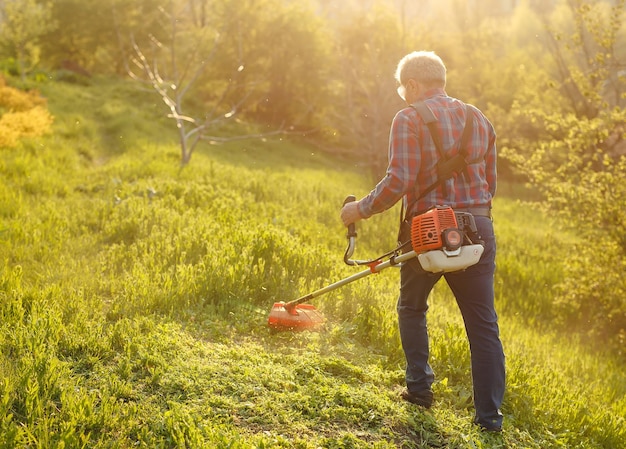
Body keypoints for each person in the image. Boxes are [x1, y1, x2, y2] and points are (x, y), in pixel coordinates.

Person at [340, 51, 505, 432]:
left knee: (412, 307)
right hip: (479, 228)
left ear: (413, 84)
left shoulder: (409, 117)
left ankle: (419, 390)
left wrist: (359, 211)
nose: (403, 95)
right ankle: (489, 420)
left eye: (403, 89)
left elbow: (398, 181)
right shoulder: (479, 118)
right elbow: (490, 184)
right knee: (483, 324)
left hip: (428, 231)